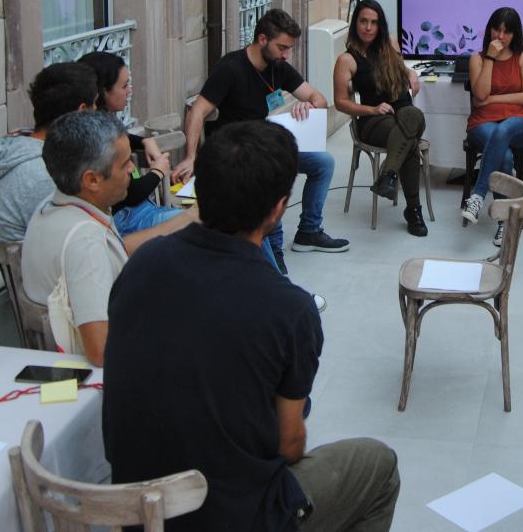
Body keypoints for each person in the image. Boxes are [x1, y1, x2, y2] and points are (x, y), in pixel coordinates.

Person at [104, 120, 400, 532]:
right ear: (278, 208)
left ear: (200, 193)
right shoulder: (290, 309)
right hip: (234, 516)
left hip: (138, 513)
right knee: (378, 465)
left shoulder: (139, 266)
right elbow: (290, 445)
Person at [172, 8, 348, 273]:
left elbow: (318, 98)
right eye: (282, 47)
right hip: (236, 154)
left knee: (323, 163)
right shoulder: (230, 68)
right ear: (262, 39)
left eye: (289, 48)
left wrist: (308, 107)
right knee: (270, 178)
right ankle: (274, 254)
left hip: (264, 145)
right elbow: (197, 110)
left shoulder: (278, 67)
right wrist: (191, 156)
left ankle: (308, 232)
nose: (286, 54)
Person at [21, 112, 130, 365]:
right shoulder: (85, 242)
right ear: (92, 180)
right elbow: (101, 351)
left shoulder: (49, 206)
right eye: (124, 165)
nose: (132, 170)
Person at [333, 0, 429, 236]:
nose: (368, 27)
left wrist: (411, 72)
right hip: (374, 120)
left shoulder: (389, 44)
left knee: (413, 117)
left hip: (404, 113)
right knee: (409, 141)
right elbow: (340, 102)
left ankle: (387, 175)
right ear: (355, 23)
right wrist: (372, 110)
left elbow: (401, 67)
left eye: (373, 23)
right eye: (363, 21)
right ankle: (414, 210)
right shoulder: (347, 60)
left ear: (380, 26)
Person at [0, 62, 100, 243]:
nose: (98, 113)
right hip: (45, 266)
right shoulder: (43, 173)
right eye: (95, 105)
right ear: (82, 111)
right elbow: (80, 242)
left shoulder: (24, 145)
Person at [78, 51, 186, 235]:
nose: (129, 90)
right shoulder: (98, 136)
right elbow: (131, 193)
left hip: (136, 213)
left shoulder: (102, 124)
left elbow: (125, 137)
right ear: (103, 91)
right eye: (124, 85)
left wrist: (146, 140)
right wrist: (158, 171)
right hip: (127, 217)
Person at [462, 7, 523, 246]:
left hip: (520, 122)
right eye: (497, 29)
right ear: (489, 30)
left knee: (504, 131)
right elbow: (480, 93)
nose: (501, 36)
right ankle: (504, 222)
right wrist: (490, 59)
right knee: (504, 156)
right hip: (483, 122)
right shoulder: (478, 58)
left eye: (507, 31)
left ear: (515, 34)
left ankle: (477, 194)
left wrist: (494, 100)